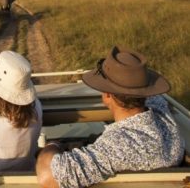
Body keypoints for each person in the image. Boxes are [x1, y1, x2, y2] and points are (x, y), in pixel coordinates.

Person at [36, 46, 185, 188]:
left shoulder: (118, 145)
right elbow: (155, 97)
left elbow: (48, 177)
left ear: (107, 95)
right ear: (144, 93)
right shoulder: (163, 117)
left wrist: (52, 145)